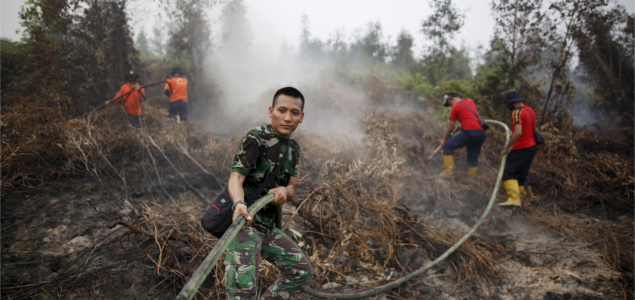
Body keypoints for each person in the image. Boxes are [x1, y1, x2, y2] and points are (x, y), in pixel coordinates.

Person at [224, 87, 311, 300]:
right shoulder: (256, 138)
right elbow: (236, 178)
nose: (287, 117)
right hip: (245, 224)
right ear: (271, 111)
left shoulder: (294, 149)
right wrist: (239, 204)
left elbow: (291, 188)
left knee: (299, 269)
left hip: (267, 228)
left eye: (294, 113)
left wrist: (284, 191)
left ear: (302, 117)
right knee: (242, 293)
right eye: (282, 110)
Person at [499, 90, 538, 206]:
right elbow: (527, 129)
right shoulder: (529, 110)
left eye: (507, 105)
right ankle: (521, 198)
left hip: (522, 147)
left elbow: (518, 133)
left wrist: (506, 148)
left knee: (507, 172)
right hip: (532, 147)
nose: (508, 107)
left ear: (512, 103)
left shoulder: (516, 112)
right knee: (521, 173)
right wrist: (513, 132)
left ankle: (513, 199)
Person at [439, 92, 487, 181]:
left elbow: (451, 127)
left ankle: (447, 173)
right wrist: (462, 125)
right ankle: (470, 182)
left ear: (451, 99)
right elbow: (471, 117)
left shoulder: (455, 107)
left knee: (447, 146)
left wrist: (444, 140)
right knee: (473, 157)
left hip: (470, 132)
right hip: (481, 134)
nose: (450, 105)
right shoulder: (471, 102)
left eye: (449, 103)